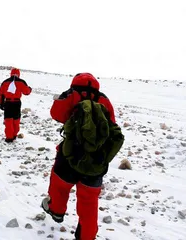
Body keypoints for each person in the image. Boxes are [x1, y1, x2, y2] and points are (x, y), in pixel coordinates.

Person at [41, 73, 116, 240]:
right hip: (96, 159)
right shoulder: (104, 99)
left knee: (59, 185)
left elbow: (56, 115)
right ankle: (86, 236)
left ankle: (56, 211)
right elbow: (111, 125)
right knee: (89, 201)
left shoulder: (71, 94)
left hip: (70, 154)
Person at [0, 68, 32, 142]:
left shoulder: (5, 82)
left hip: (8, 103)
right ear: (18, 74)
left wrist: (1, 103)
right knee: (16, 120)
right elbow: (26, 92)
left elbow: (1, 94)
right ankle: (14, 135)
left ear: (11, 73)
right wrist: (29, 89)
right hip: (16, 103)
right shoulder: (21, 82)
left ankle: (9, 137)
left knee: (8, 120)